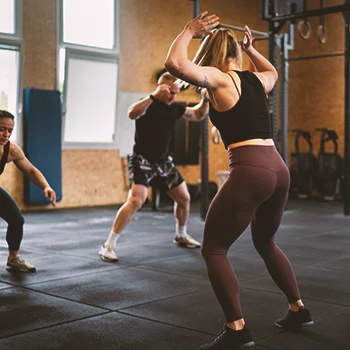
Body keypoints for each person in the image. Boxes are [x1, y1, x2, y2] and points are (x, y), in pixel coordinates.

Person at [165, 12, 314, 349]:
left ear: (214, 53)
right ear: (235, 52)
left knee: (214, 249)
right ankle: (298, 309)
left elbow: (174, 63)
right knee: (266, 242)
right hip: (278, 169)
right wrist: (252, 50)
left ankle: (237, 329)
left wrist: (189, 29)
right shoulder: (254, 79)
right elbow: (273, 72)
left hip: (251, 170)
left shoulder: (218, 78)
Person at [99, 71, 210, 262]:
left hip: (162, 161)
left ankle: (180, 235)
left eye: (176, 93)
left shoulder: (174, 108)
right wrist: (153, 96)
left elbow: (198, 114)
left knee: (184, 198)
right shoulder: (147, 104)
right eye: (170, 92)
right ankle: (108, 245)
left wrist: (205, 99)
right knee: (136, 200)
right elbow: (132, 113)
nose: (174, 96)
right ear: (160, 87)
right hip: (142, 160)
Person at [0, 110, 56, 273]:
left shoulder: (12, 150)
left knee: (17, 220)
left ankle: (13, 259)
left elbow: (31, 170)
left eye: (10, 130)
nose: (6, 134)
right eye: (2, 129)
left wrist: (46, 186)